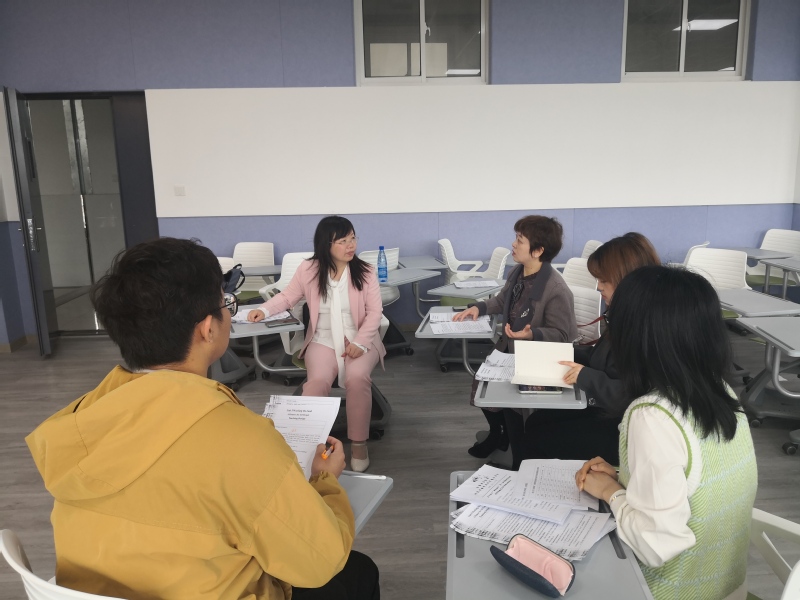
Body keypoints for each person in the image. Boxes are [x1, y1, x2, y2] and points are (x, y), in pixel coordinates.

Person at [25, 238, 380, 600]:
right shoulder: (242, 442)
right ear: (208, 329)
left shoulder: (81, 418)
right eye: (226, 304)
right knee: (357, 571)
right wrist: (324, 481)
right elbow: (319, 561)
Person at [575, 266, 757, 600]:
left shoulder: (654, 416)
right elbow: (693, 480)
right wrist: (623, 475)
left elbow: (655, 545)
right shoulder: (719, 390)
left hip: (669, 590)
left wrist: (611, 492)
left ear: (637, 336)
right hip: (728, 587)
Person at [248, 216, 385, 472]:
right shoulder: (309, 269)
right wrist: (263, 310)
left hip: (360, 338)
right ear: (326, 244)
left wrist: (360, 342)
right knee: (317, 382)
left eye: (353, 238)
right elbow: (288, 297)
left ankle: (359, 443)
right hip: (322, 338)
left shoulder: (365, 271)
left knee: (357, 378)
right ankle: (311, 444)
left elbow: (375, 313)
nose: (351, 245)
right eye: (342, 241)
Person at [521, 232, 660, 464]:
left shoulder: (650, 328)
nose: (599, 287)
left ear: (627, 279)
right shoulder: (628, 314)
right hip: (612, 410)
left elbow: (637, 397)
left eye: (604, 280)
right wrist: (557, 354)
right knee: (536, 422)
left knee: (538, 437)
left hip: (629, 427)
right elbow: (601, 357)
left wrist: (585, 376)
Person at [453, 215, 578, 460]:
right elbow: (502, 300)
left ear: (538, 251)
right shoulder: (518, 272)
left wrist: (532, 334)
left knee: (509, 401)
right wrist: (479, 307)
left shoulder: (556, 289)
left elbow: (563, 335)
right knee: (481, 383)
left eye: (520, 240)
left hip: (535, 357)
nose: (513, 244)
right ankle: (498, 433)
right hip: (510, 350)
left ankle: (517, 452)